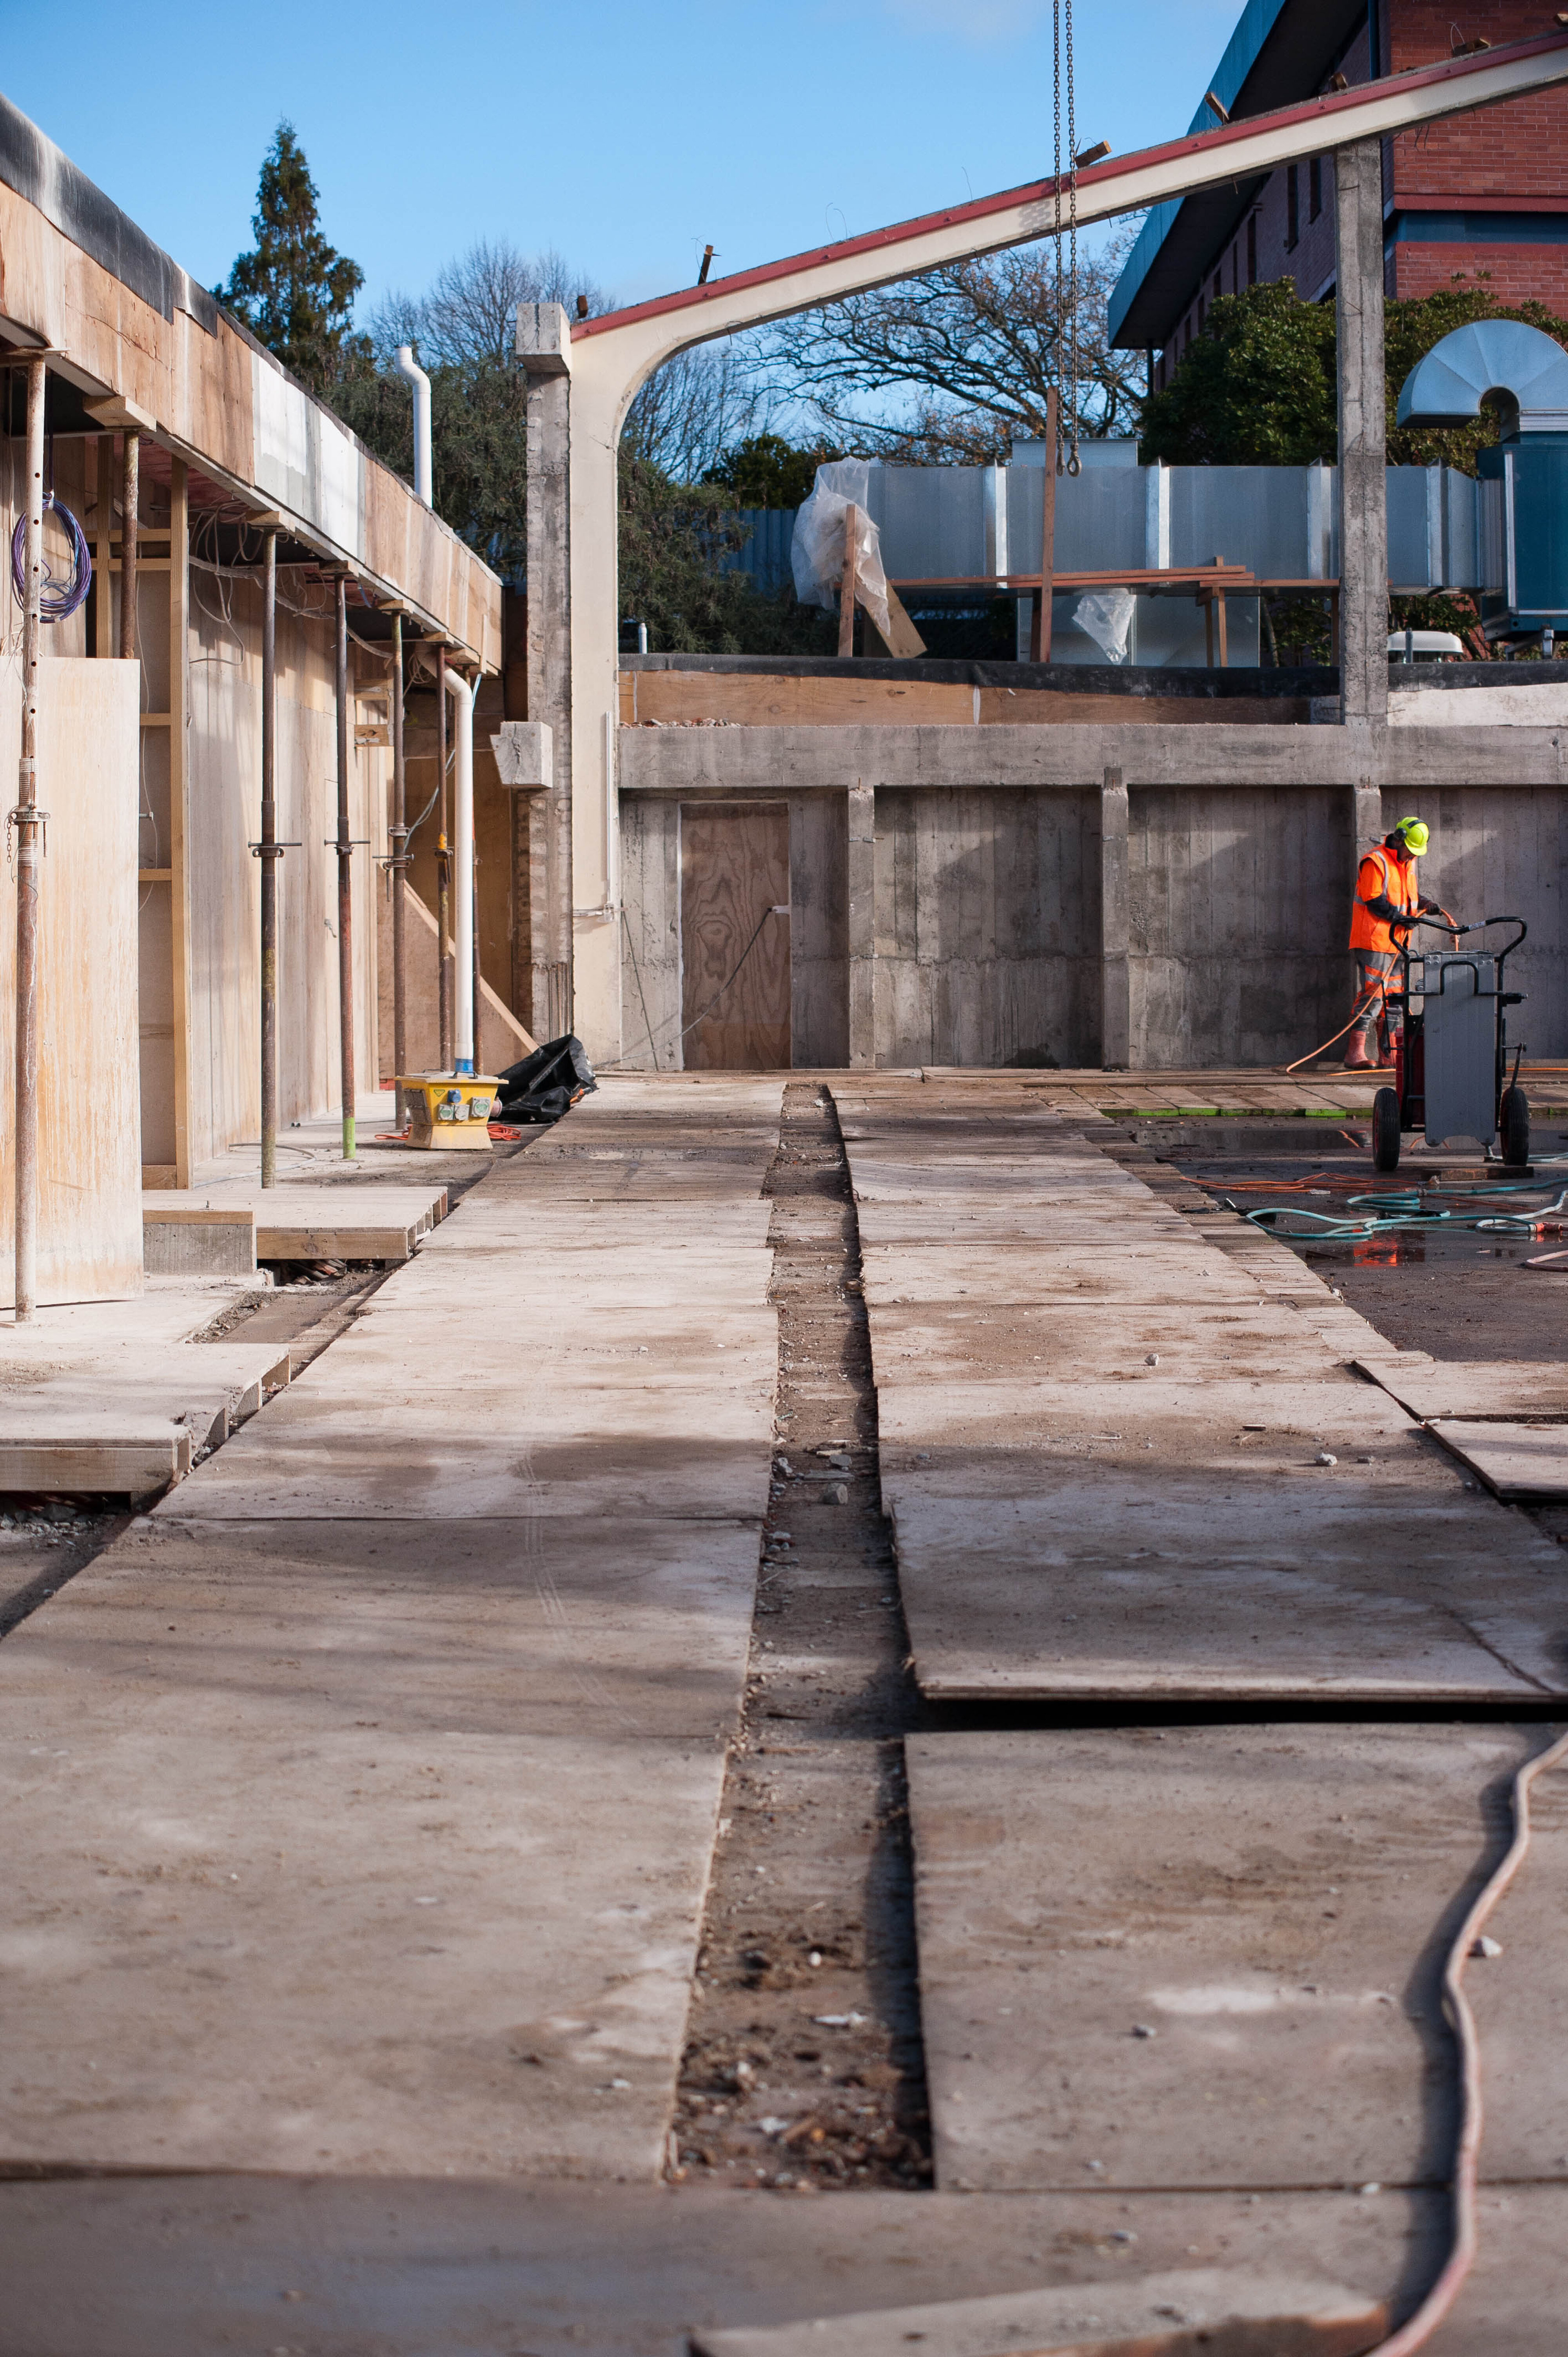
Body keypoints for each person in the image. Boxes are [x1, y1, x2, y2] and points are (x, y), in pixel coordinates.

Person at [1344, 817, 1446, 1070]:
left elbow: (1407, 895)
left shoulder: (1406, 863)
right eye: (1410, 849)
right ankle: (1354, 1054)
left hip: (1398, 942)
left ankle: (1388, 1055)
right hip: (1374, 940)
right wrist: (1400, 918)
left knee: (1394, 999)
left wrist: (1425, 904)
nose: (1412, 855)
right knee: (1373, 995)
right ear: (1399, 839)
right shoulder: (1375, 861)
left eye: (1416, 852)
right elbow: (1373, 899)